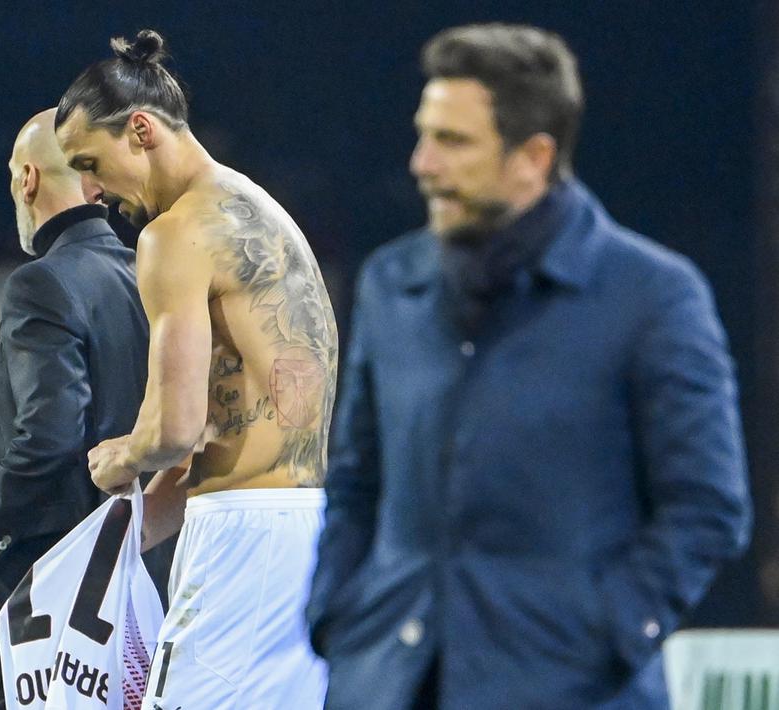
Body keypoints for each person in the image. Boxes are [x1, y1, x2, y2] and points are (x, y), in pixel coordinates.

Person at [307, 24, 752, 709]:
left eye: (452, 141)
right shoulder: (390, 282)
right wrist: (336, 613)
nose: (422, 164)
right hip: (385, 682)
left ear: (533, 157)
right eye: (423, 134)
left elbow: (707, 507)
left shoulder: (654, 295)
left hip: (569, 688)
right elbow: (356, 480)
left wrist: (609, 632)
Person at [56, 30, 337, 708]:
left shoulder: (173, 233)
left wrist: (121, 457)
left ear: (142, 131)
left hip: (244, 538)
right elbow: (234, 421)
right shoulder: (255, 210)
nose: (91, 189)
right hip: (308, 527)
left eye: (91, 161)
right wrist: (142, 519)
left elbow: (174, 430)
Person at [0, 108, 163, 710]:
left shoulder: (41, 283)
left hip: (50, 593)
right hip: (138, 583)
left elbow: (48, 437)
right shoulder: (149, 278)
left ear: (28, 181)